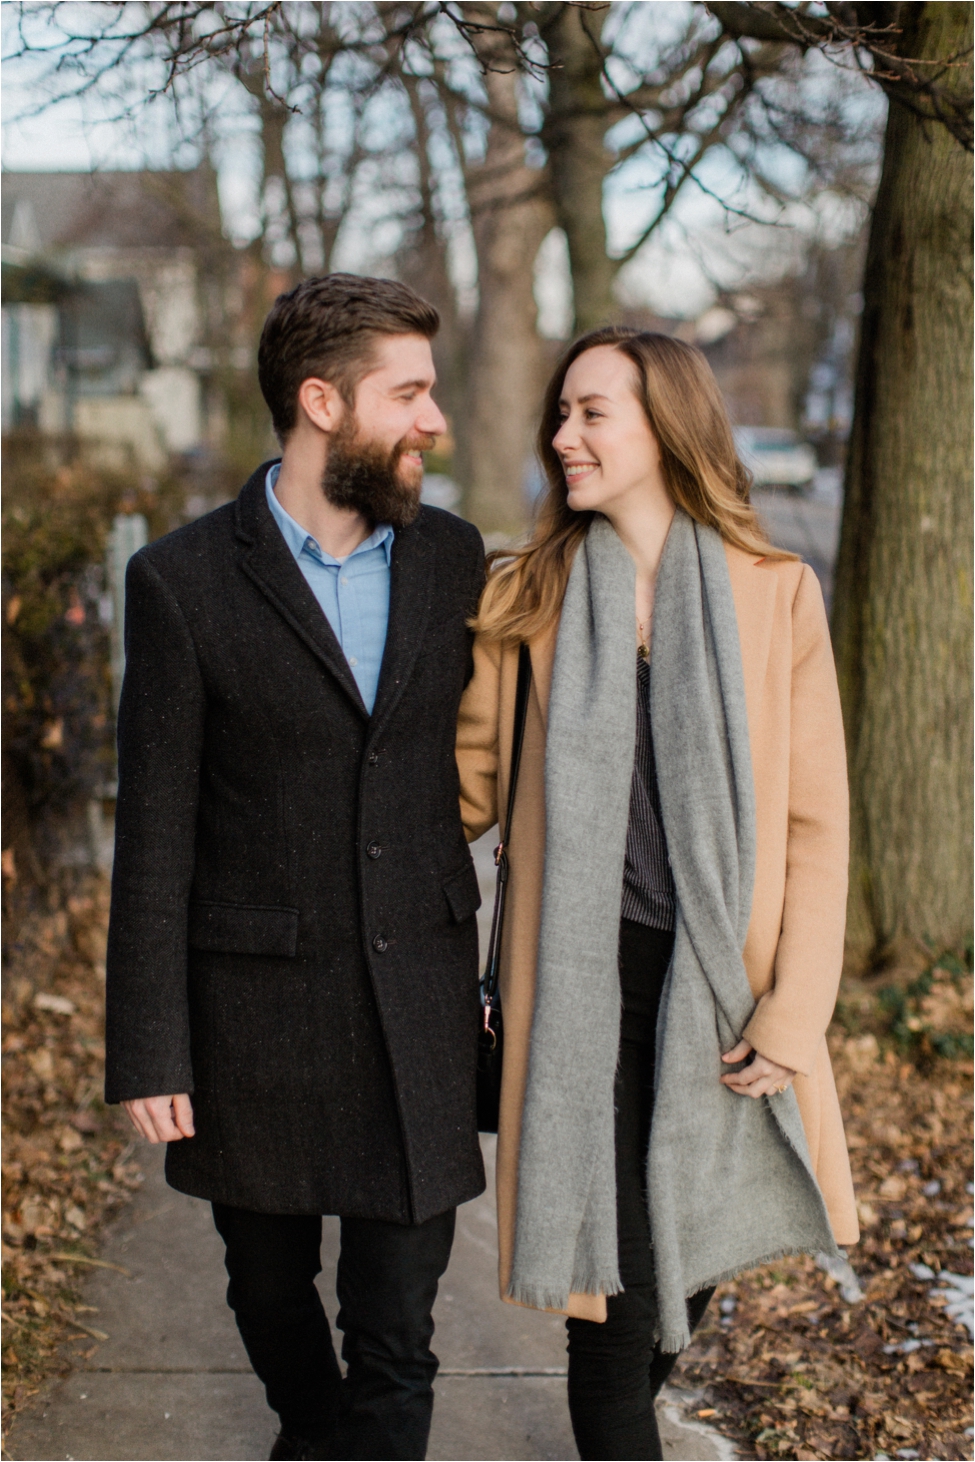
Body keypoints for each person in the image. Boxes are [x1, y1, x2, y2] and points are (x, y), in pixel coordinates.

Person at [457, 327, 859, 1461]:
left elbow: (816, 828)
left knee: (677, 1298)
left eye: (592, 414)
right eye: (561, 413)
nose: (562, 436)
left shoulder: (775, 599)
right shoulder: (527, 601)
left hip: (722, 1005)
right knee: (612, 1314)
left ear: (665, 427)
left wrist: (792, 1013)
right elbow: (460, 794)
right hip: (585, 1001)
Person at [105, 274, 486, 1462]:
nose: (435, 420)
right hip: (255, 1015)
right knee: (271, 1302)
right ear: (321, 401)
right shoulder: (181, 580)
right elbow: (156, 831)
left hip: (416, 1003)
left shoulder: (456, 561)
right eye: (410, 393)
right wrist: (148, 1047)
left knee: (398, 1341)